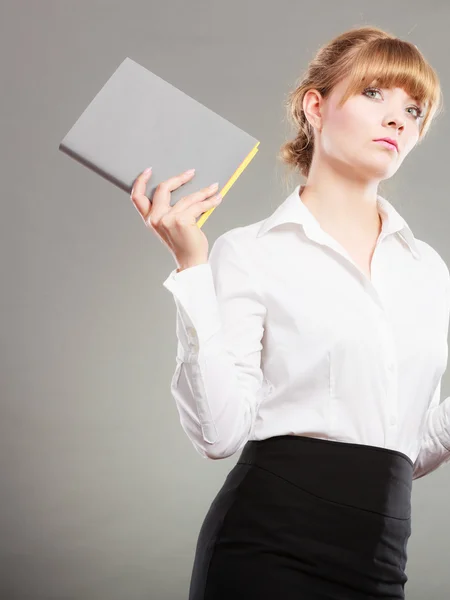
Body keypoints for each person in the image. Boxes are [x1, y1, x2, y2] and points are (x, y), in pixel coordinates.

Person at [131, 25, 449, 600]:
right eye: (375, 94)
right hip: (266, 550)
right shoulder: (250, 252)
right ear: (316, 106)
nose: (399, 118)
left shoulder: (429, 270)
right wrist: (192, 268)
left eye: (415, 107)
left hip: (380, 557)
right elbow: (219, 434)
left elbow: (411, 445)